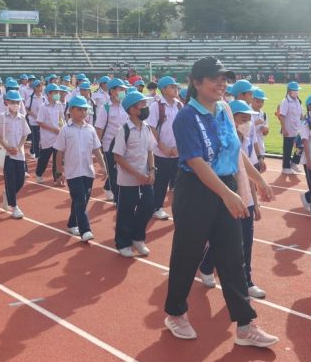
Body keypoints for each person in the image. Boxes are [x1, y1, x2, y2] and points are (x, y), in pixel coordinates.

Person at [164, 56, 278, 348]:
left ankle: (245, 324)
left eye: (224, 78)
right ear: (196, 82)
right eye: (214, 78)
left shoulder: (224, 110)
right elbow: (196, 162)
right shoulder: (186, 117)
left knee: (232, 257)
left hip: (226, 186)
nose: (221, 83)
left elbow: (236, 152)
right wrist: (227, 195)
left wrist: (257, 180)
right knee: (187, 255)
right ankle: (175, 313)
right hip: (197, 191)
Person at [199, 100, 270, 299]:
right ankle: (206, 266)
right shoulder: (220, 139)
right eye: (242, 119)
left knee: (245, 241)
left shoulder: (243, 140)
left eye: (249, 119)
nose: (246, 123)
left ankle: (246, 282)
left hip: (244, 197)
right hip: (227, 197)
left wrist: (256, 196)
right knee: (224, 239)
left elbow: (246, 168)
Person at [53, 95, 108, 241]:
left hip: (88, 172)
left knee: (82, 200)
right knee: (80, 200)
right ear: (71, 110)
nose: (83, 113)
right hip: (73, 172)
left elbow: (97, 150)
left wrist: (103, 167)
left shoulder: (90, 129)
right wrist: (59, 172)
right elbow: (59, 152)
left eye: (85, 110)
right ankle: (85, 230)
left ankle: (72, 224)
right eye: (79, 109)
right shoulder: (65, 130)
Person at [113, 91, 157, 257]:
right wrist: (136, 174)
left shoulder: (146, 128)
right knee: (126, 212)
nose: (145, 108)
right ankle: (123, 242)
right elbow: (118, 157)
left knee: (148, 207)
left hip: (145, 179)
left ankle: (138, 238)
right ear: (132, 110)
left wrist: (152, 170)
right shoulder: (123, 130)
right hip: (128, 180)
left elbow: (150, 151)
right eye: (142, 105)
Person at [146, 76, 182, 220]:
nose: (175, 89)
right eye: (172, 86)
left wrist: (178, 147)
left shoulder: (179, 105)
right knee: (161, 181)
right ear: (164, 89)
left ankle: (179, 208)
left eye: (176, 86)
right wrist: (163, 147)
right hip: (161, 152)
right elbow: (152, 128)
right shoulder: (156, 106)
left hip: (177, 151)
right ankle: (157, 207)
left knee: (179, 182)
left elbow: (183, 127)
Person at [0, 90, 31, 219]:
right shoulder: (2, 117)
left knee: (20, 180)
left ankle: (8, 194)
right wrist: (7, 147)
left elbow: (25, 134)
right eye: (13, 102)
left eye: (17, 102)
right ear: (7, 102)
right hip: (7, 154)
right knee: (10, 179)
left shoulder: (21, 118)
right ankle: (14, 206)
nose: (15, 104)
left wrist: (19, 147)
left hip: (19, 154)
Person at [95, 78, 128, 202]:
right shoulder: (105, 108)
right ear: (112, 91)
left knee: (123, 172)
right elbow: (99, 129)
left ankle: (107, 187)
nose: (123, 92)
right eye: (120, 89)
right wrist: (97, 148)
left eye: (124, 89)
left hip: (125, 146)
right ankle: (118, 199)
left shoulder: (126, 106)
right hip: (109, 146)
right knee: (114, 174)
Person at [36, 83, 65, 184]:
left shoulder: (59, 105)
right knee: (44, 158)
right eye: (55, 92)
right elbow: (39, 122)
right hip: (47, 138)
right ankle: (39, 174)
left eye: (58, 92)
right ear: (48, 94)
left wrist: (62, 127)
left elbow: (61, 118)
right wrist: (53, 129)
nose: (58, 94)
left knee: (58, 159)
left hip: (58, 136)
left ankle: (57, 178)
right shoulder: (43, 107)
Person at [278, 81, 303, 175]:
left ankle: (294, 162)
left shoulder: (298, 101)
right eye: (295, 90)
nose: (297, 92)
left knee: (300, 147)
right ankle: (285, 167)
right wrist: (284, 128)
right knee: (287, 149)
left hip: (298, 129)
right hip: (289, 129)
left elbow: (301, 115)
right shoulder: (285, 102)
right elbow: (282, 116)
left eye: (297, 90)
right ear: (289, 91)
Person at [251, 89, 269, 174]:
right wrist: (254, 123)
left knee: (258, 173)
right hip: (250, 149)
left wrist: (265, 130)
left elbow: (265, 133)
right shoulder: (247, 113)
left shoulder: (264, 114)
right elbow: (242, 130)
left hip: (260, 148)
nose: (260, 104)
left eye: (262, 101)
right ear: (252, 100)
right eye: (258, 101)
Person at [26, 79, 45, 159]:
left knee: (40, 138)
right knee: (36, 138)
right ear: (36, 88)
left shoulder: (43, 98)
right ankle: (37, 155)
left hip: (42, 121)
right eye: (40, 86)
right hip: (33, 121)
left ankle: (32, 150)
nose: (42, 87)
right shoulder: (31, 98)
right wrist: (34, 116)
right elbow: (27, 109)